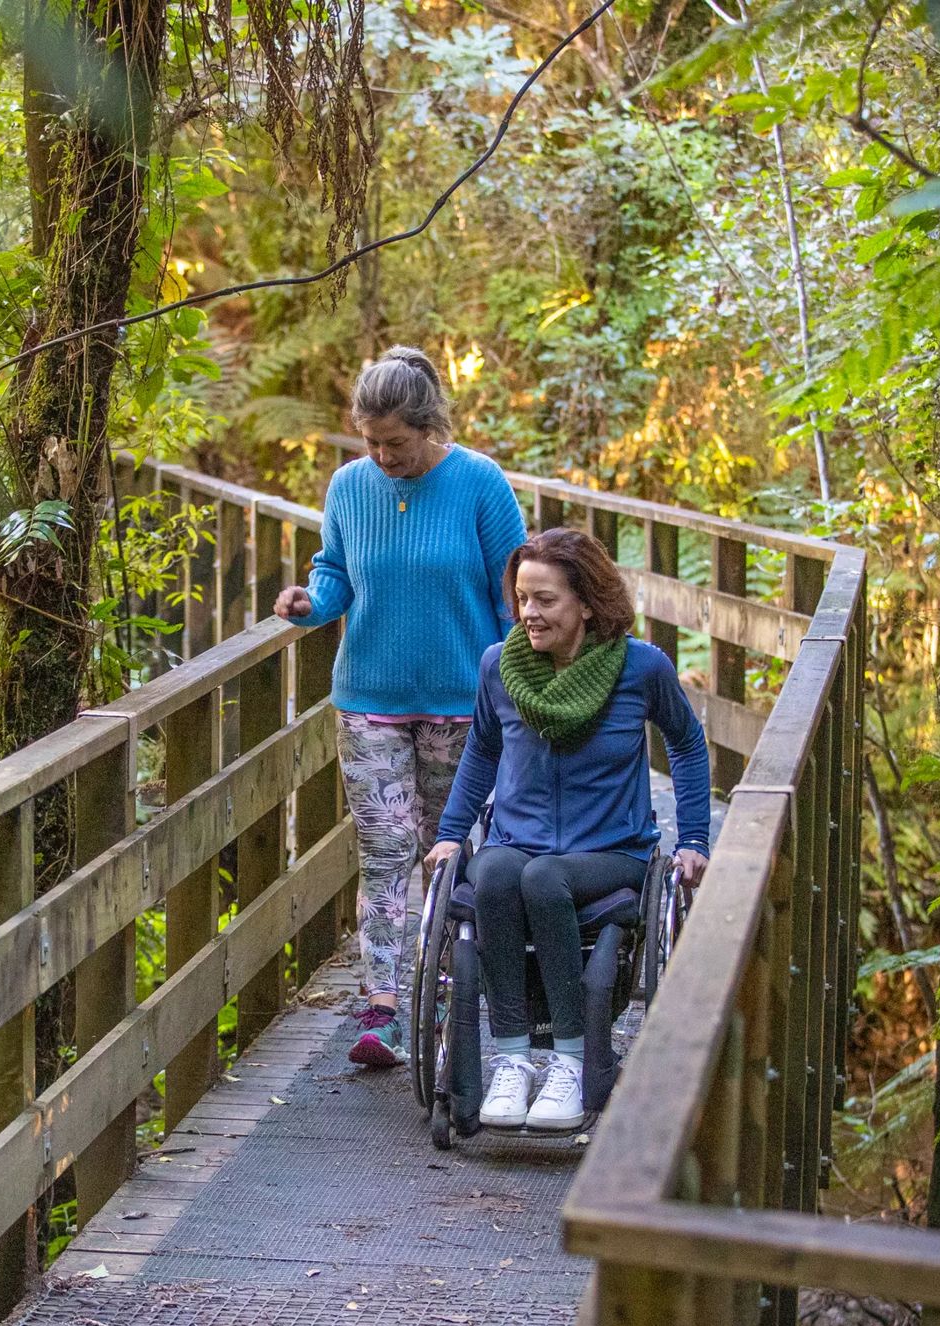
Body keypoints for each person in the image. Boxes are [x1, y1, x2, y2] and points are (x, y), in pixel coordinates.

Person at [274, 346, 526, 1068]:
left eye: (397, 443)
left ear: (429, 426)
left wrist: (518, 691)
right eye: (371, 441)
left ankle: (448, 991)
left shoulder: (479, 482)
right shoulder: (349, 487)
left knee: (451, 855)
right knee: (386, 852)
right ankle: (382, 1009)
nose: (382, 456)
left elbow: (514, 593)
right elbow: (335, 574)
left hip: (461, 706)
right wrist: (309, 603)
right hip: (370, 703)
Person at [425, 527, 711, 1130]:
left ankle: (572, 1061)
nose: (529, 613)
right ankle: (512, 1060)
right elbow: (481, 751)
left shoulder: (641, 667)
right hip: (517, 841)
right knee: (497, 869)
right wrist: (452, 833)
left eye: (545, 600)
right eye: (522, 598)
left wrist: (693, 840)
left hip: (611, 851)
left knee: (543, 877)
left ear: (587, 602)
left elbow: (686, 743)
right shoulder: (500, 667)